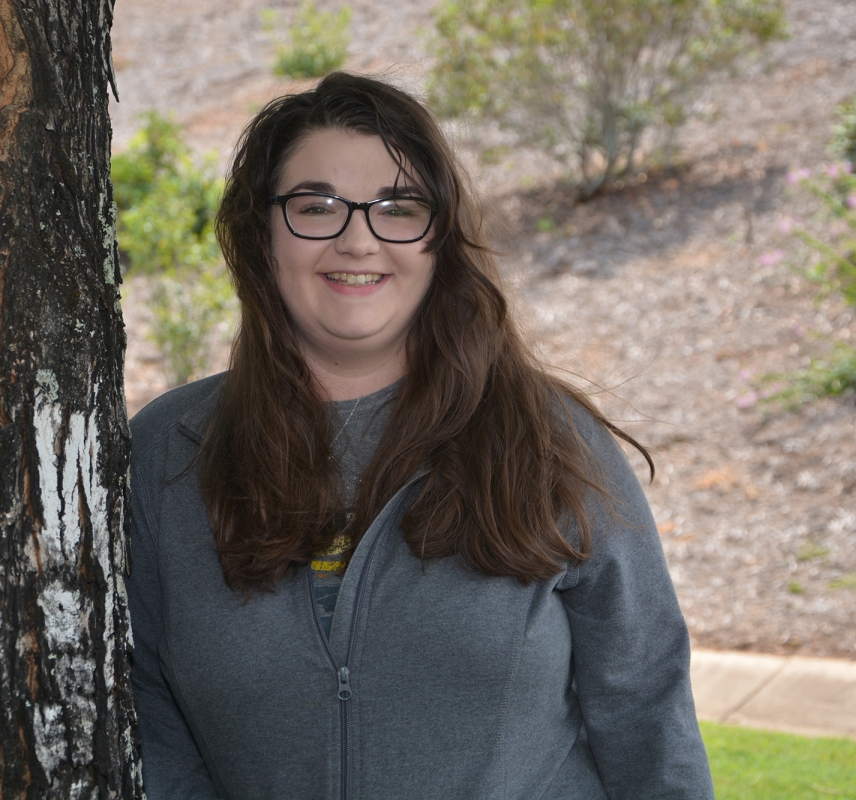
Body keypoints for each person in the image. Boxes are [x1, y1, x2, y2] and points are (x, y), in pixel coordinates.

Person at [126, 72, 714, 800]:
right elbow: (152, 726)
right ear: (260, 232)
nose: (357, 239)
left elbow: (646, 706)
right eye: (316, 206)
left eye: (398, 208)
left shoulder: (549, 440)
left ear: (440, 239)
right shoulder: (168, 455)